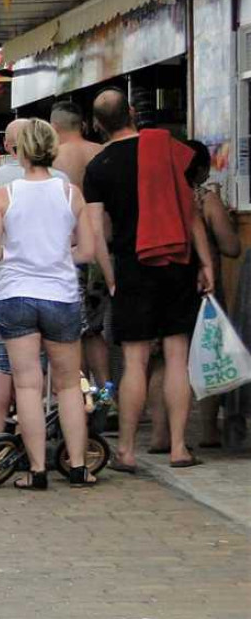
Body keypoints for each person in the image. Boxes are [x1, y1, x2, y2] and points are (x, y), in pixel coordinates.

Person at [84, 88, 214, 471]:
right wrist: (205, 263)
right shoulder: (166, 148)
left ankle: (125, 450)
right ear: (131, 113)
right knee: (177, 357)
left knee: (135, 361)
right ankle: (178, 447)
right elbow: (189, 212)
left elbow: (95, 236)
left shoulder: (98, 167)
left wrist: (110, 280)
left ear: (97, 125)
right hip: (177, 261)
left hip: (131, 267)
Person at [0, 118, 97, 489]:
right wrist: (57, 255)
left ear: (21, 151)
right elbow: (88, 250)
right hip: (61, 295)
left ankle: (37, 471)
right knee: (67, 385)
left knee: (28, 385)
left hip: (15, 294)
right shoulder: (70, 193)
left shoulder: (5, 195)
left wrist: (14, 255)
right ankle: (78, 466)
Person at [0, 119, 70, 434]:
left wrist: (3, 248)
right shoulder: (63, 181)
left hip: (9, 284)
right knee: (57, 371)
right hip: (56, 286)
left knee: (3, 363)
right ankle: (58, 435)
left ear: (9, 145)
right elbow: (77, 237)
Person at [51, 101, 111, 389]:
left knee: (73, 331)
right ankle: (107, 392)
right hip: (104, 251)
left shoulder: (53, 159)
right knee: (96, 330)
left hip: (71, 252)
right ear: (83, 125)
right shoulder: (102, 152)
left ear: (54, 128)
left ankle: (82, 396)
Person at [184, 140, 240, 449]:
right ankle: (208, 431)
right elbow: (232, 247)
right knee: (209, 356)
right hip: (206, 291)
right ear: (203, 169)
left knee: (168, 360)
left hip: (170, 286)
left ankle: (165, 434)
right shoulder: (206, 201)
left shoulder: (165, 197)